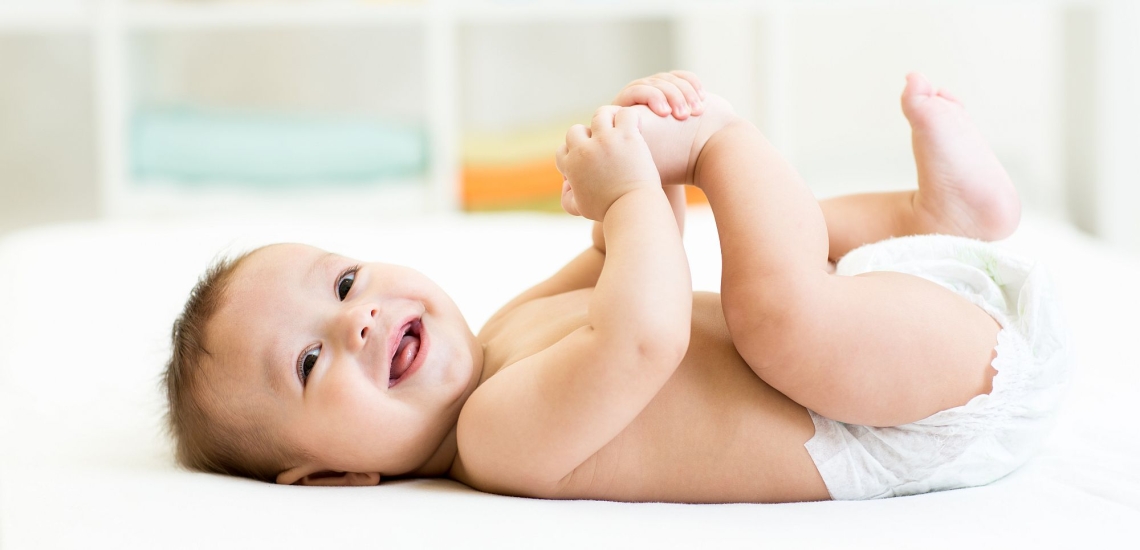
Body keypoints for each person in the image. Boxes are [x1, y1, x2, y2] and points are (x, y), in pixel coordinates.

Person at [164, 72, 1068, 502]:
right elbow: (645, 336)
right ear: (331, 473)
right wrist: (666, 170)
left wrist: (639, 165)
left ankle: (933, 218)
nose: (358, 319)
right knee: (774, 315)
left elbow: (629, 260)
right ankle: (731, 136)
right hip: (895, 420)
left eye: (347, 281)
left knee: (788, 262)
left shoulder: (504, 329)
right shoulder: (494, 442)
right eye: (311, 358)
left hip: (888, 340)